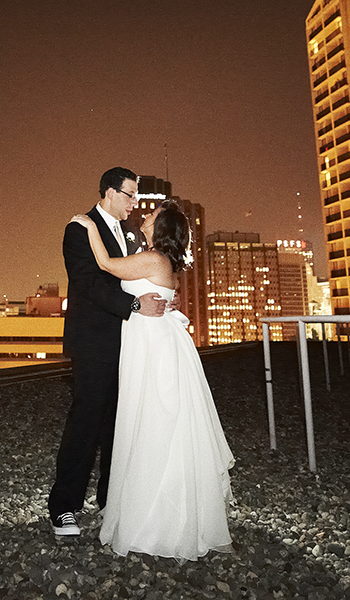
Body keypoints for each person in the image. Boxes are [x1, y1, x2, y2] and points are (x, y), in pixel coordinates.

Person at [69, 200, 234, 561]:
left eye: (152, 216)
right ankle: (163, 513)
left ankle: (156, 521)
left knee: (151, 423)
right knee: (157, 424)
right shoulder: (158, 259)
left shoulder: (154, 259)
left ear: (160, 229)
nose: (144, 216)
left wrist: (87, 225)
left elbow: (105, 264)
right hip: (153, 344)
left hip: (153, 350)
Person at [49, 167, 167, 537]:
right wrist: (134, 307)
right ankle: (63, 506)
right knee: (86, 421)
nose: (134, 203)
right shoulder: (79, 229)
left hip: (131, 344)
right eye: (130, 195)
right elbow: (87, 285)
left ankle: (110, 500)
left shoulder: (131, 233)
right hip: (94, 342)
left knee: (120, 424)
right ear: (108, 192)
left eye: (136, 196)